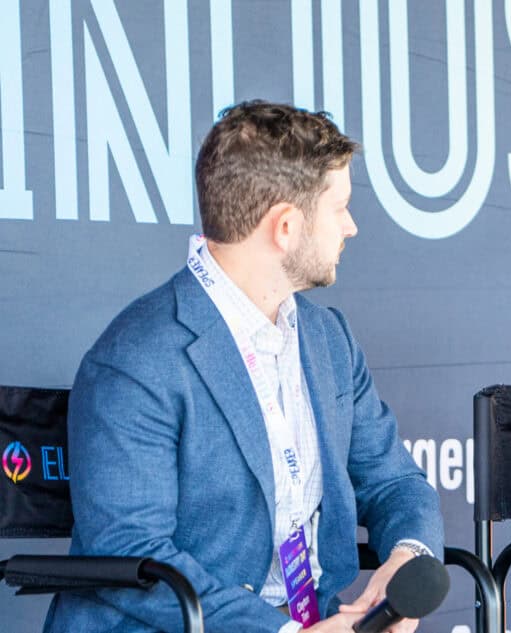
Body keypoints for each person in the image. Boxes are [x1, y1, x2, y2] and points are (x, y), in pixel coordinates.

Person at [45, 101, 443, 633]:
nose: (351, 227)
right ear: (285, 226)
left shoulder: (330, 341)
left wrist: (406, 559)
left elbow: (396, 482)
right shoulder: (136, 358)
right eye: (340, 207)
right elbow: (131, 552)